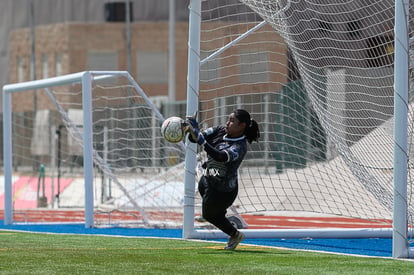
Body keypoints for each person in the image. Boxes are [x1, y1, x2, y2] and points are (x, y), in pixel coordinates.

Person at [186, 109, 260, 250]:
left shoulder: (240, 146)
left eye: (232, 121)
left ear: (242, 126)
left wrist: (202, 141)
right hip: (209, 179)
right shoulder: (219, 130)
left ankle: (235, 234)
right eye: (228, 119)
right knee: (208, 202)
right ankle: (216, 213)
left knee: (208, 215)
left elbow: (221, 156)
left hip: (224, 191)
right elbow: (193, 139)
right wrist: (193, 130)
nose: (227, 123)